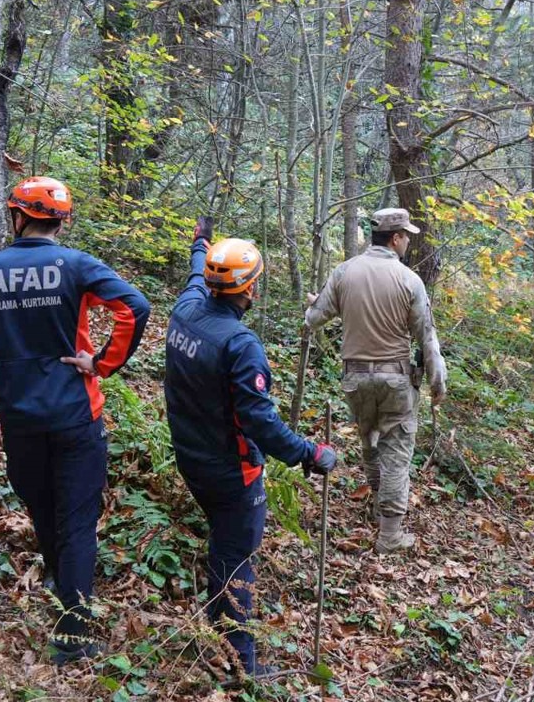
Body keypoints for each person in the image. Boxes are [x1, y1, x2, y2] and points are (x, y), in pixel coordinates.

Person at [0, 176, 152, 664]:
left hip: (20, 418)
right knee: (78, 522)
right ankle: (73, 635)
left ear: (18, 216)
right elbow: (135, 307)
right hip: (77, 415)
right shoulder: (76, 265)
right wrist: (101, 363)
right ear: (61, 220)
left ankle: (60, 583)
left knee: (41, 508)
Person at [163, 218, 336, 676]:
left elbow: (194, 274)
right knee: (235, 557)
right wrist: (308, 453)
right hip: (231, 472)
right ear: (250, 290)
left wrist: (200, 242)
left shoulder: (186, 310)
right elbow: (258, 419)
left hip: (190, 456)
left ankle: (217, 634)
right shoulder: (241, 345)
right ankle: (240, 662)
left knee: (224, 546)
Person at [305, 207, 447, 553]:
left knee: (370, 441)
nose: (408, 243)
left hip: (355, 377)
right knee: (396, 450)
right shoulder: (408, 280)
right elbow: (425, 336)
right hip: (395, 379)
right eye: (406, 237)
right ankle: (389, 534)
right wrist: (436, 380)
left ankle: (376, 504)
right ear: (395, 238)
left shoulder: (344, 272)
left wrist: (318, 303)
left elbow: (314, 318)